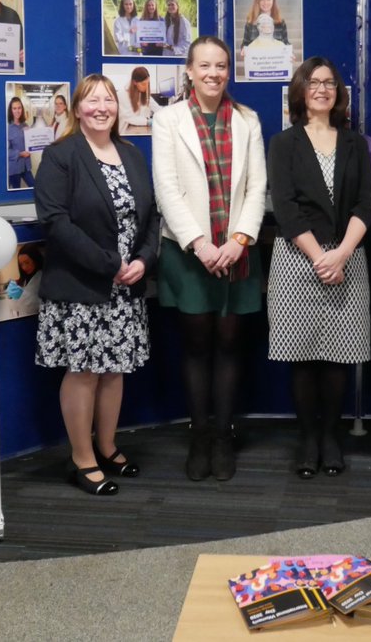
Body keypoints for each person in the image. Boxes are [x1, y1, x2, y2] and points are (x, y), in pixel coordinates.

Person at [33, 74, 159, 496]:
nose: (101, 107)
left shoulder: (131, 154)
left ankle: (107, 446)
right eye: (92, 100)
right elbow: (55, 220)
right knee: (84, 371)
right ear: (76, 109)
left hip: (126, 286)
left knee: (114, 371)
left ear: (118, 107)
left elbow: (151, 216)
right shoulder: (60, 155)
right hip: (82, 285)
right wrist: (110, 264)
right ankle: (82, 458)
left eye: (108, 99)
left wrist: (143, 259)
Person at [152, 36, 266, 481]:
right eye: (205, 65)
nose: (214, 73)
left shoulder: (248, 120)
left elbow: (257, 187)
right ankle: (199, 436)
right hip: (188, 251)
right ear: (189, 70)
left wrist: (239, 239)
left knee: (230, 343)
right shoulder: (168, 119)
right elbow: (166, 188)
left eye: (221, 65)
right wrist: (200, 244)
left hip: (236, 250)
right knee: (197, 345)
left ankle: (223, 436)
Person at [267, 57, 371, 478]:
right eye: (314, 82)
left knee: (338, 357)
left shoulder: (355, 143)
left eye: (330, 82)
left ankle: (332, 436)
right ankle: (307, 438)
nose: (322, 89)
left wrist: (342, 252)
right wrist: (319, 256)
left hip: (347, 256)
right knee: (303, 355)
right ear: (301, 90)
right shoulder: (283, 143)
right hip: (298, 259)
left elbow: (367, 202)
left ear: (338, 93)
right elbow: (286, 208)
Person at [119, 66, 160, 133]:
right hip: (124, 133)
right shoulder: (122, 95)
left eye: (148, 83)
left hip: (138, 130)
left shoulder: (144, 94)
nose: (146, 86)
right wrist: (148, 121)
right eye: (143, 84)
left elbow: (157, 108)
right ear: (134, 82)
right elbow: (130, 118)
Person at [6, 96, 34, 189]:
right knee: (15, 192)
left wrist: (30, 134)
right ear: (11, 110)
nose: (17, 111)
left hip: (25, 166)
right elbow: (6, 151)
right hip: (14, 168)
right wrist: (20, 154)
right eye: (14, 108)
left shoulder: (25, 125)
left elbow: (30, 143)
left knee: (34, 187)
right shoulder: (8, 128)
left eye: (19, 108)